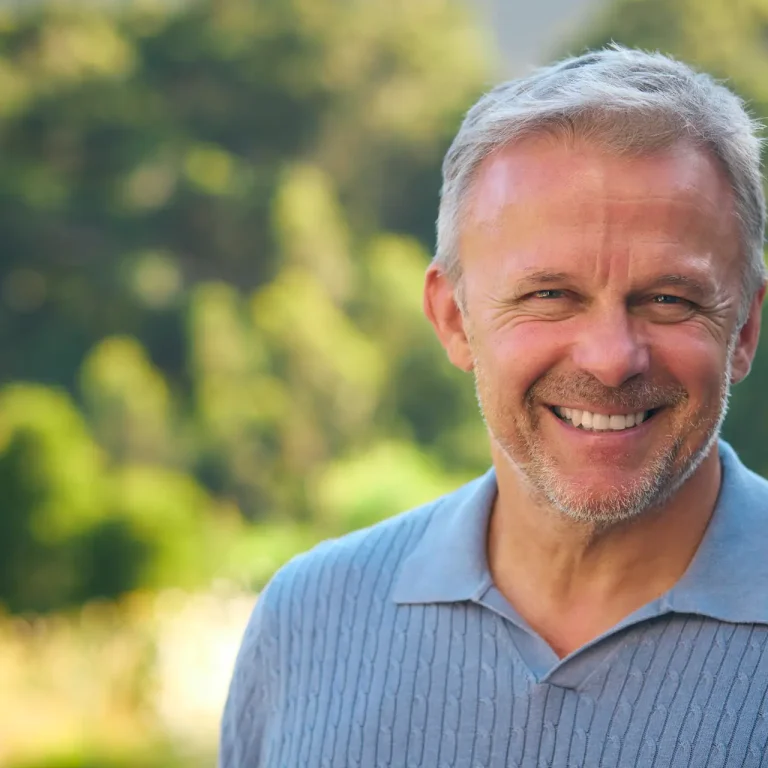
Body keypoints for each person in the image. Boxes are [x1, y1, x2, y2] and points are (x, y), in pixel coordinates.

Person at [220, 46, 768, 767]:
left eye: (669, 299)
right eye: (550, 295)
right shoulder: (307, 622)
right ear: (453, 318)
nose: (611, 358)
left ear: (744, 330)